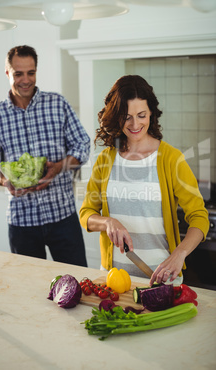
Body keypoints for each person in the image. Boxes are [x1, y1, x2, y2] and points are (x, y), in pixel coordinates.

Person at [79, 75, 209, 285]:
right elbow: (86, 214)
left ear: (151, 113)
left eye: (141, 115)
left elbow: (199, 217)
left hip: (163, 278)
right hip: (114, 280)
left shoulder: (171, 159)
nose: (135, 124)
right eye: (127, 116)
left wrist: (179, 254)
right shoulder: (105, 160)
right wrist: (108, 222)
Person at [0, 45, 90, 267]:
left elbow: (83, 145)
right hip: (22, 222)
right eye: (18, 73)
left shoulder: (57, 104)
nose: (26, 80)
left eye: (31, 72)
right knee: (28, 289)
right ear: (8, 73)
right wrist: (5, 180)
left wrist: (58, 167)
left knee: (78, 283)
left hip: (62, 217)